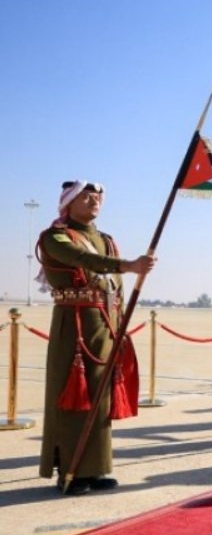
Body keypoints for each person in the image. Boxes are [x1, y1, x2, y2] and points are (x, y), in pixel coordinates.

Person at [36, 180, 155, 495]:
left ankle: (95, 467)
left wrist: (120, 321)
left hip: (106, 323)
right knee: (73, 397)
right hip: (74, 323)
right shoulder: (55, 236)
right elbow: (81, 258)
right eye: (86, 197)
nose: (94, 201)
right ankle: (70, 471)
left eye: (98, 197)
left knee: (101, 397)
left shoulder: (106, 240)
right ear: (68, 203)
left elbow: (115, 286)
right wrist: (129, 265)